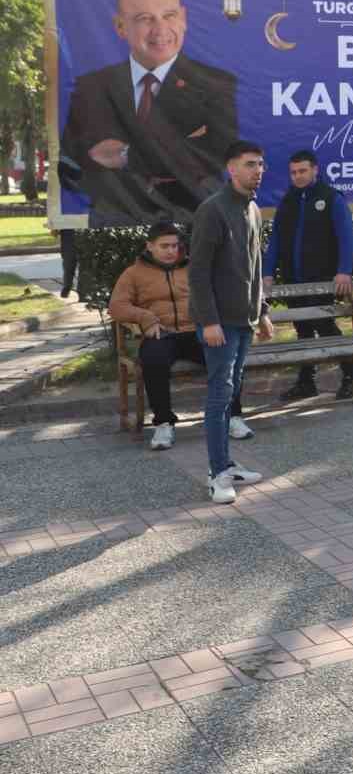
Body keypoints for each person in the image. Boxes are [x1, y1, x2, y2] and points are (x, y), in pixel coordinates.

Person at [59, 0, 240, 226]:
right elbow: (74, 162)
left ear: (183, 18)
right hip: (114, 220)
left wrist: (127, 155)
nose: (160, 29)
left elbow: (216, 155)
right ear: (120, 26)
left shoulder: (215, 85)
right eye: (145, 18)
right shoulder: (91, 88)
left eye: (169, 15)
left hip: (192, 217)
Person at [108, 221, 252, 450]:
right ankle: (164, 423)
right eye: (164, 246)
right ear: (150, 246)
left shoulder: (195, 268)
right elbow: (116, 306)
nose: (171, 251)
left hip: (197, 331)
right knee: (153, 361)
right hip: (162, 333)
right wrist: (145, 317)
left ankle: (232, 416)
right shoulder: (134, 273)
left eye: (174, 246)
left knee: (226, 356)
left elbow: (219, 293)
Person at [189, 139, 273, 504]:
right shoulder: (212, 210)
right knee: (219, 395)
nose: (258, 170)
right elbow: (197, 272)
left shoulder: (252, 209)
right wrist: (209, 321)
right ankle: (216, 474)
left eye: (261, 164)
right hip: (219, 324)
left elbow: (255, 266)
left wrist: (262, 312)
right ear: (231, 168)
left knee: (231, 393)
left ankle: (226, 462)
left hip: (244, 320)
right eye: (250, 164)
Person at [263, 149, 353, 401]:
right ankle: (307, 383)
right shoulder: (287, 201)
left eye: (303, 171)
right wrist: (267, 273)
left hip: (322, 278)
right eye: (293, 172)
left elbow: (346, 237)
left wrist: (344, 271)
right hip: (293, 278)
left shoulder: (331, 197)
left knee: (324, 326)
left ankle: (351, 378)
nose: (298, 176)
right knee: (302, 329)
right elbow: (275, 240)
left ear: (315, 169)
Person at [56, 227, 77, 298]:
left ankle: (83, 290)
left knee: (84, 267)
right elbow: (54, 232)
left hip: (84, 236)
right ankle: (67, 287)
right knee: (68, 266)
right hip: (68, 239)